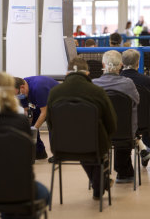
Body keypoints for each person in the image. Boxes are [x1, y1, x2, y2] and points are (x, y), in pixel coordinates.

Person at [0, 72, 50, 218]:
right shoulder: (20, 122)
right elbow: (26, 161)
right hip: (18, 189)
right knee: (45, 194)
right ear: (10, 93)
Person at [47, 57, 117, 199]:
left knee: (80, 142)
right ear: (87, 74)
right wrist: (107, 137)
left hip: (62, 147)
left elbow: (50, 123)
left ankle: (98, 183)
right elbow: (111, 123)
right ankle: (99, 184)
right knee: (92, 143)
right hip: (94, 145)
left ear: (67, 74)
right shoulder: (97, 92)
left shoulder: (54, 92)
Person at [92, 50, 150, 182]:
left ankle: (100, 173)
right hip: (125, 133)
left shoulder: (94, 85)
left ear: (103, 64)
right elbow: (137, 102)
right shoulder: (127, 84)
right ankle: (123, 172)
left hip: (99, 134)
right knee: (125, 123)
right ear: (120, 65)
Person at [120, 49, 150, 166]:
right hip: (144, 122)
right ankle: (147, 148)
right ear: (137, 63)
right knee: (148, 116)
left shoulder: (118, 79)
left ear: (122, 63)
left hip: (122, 123)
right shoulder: (147, 80)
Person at [14, 76, 58, 160]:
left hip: (57, 102)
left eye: (17, 94)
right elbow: (28, 111)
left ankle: (57, 154)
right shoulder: (21, 92)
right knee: (31, 125)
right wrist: (28, 127)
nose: (17, 97)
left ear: (22, 87)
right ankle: (39, 152)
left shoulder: (38, 88)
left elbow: (44, 113)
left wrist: (33, 130)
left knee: (52, 122)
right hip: (41, 104)